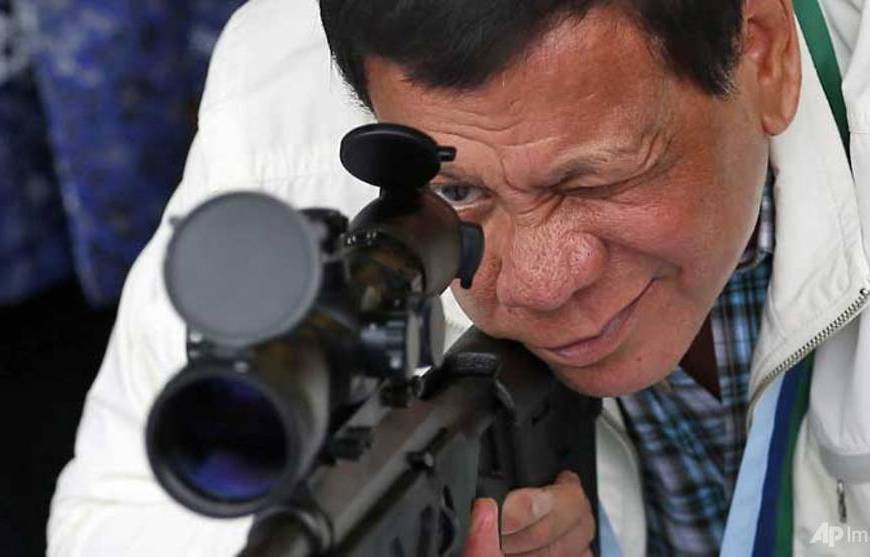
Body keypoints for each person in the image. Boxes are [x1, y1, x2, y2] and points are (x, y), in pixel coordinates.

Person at [48, 0, 870, 556]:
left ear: (763, 57)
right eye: (458, 193)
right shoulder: (281, 104)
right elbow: (122, 517)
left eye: (594, 182)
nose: (539, 285)